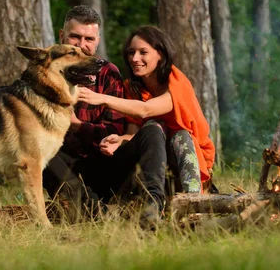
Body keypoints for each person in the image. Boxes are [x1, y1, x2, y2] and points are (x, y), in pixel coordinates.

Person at [77, 25, 216, 225]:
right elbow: (134, 133)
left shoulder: (177, 82)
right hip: (154, 163)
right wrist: (119, 141)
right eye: (131, 52)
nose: (135, 58)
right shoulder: (131, 87)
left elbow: (146, 110)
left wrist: (100, 98)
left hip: (186, 157)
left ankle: (194, 205)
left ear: (160, 54)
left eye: (143, 52)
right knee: (152, 128)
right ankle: (151, 207)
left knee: (176, 133)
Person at [41, 5, 125, 220]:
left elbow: (115, 129)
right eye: (75, 37)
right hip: (60, 163)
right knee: (43, 150)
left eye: (89, 39)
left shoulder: (108, 72)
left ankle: (91, 207)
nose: (82, 45)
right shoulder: (44, 72)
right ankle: (92, 210)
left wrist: (77, 124)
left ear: (97, 40)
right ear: (62, 36)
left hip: (98, 161)